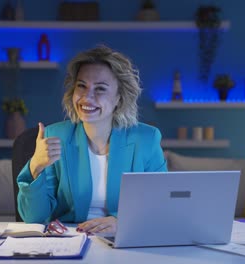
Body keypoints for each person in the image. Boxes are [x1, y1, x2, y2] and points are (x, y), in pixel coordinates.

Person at [17, 45, 167, 234]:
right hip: (70, 240)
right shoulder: (55, 136)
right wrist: (36, 167)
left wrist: (124, 223)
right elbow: (33, 217)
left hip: (123, 240)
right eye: (81, 86)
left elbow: (161, 205)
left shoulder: (146, 139)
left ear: (119, 98)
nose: (87, 97)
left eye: (100, 89)